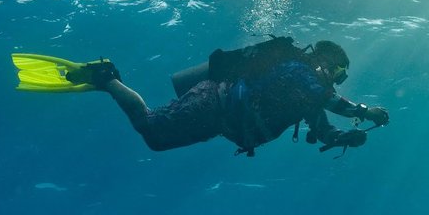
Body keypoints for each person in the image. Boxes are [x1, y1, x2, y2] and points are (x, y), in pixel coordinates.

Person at [66, 37, 389, 156]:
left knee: (156, 140)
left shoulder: (310, 95)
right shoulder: (297, 69)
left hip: (223, 120)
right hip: (215, 102)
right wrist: (366, 111)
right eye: (338, 74)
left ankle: (108, 83)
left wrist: (344, 137)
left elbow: (322, 126)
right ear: (326, 63)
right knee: (151, 129)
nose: (338, 81)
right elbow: (332, 102)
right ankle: (107, 77)